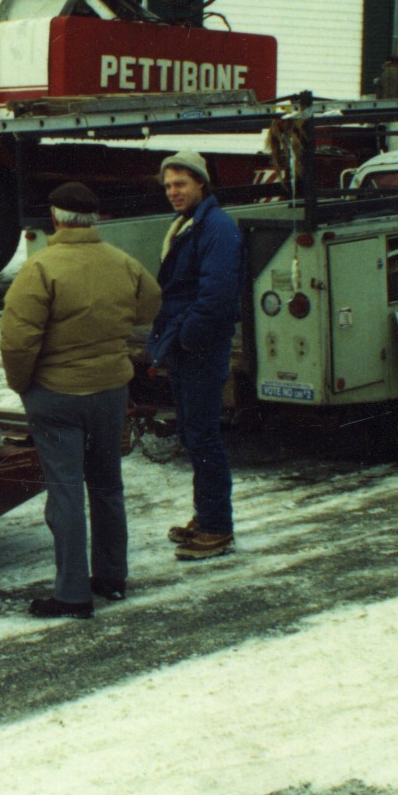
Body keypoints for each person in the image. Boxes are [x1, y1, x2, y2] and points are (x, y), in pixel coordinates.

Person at [0, 182, 161, 619]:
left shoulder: (40, 269)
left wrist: (23, 385)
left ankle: (72, 594)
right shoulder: (123, 263)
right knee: (107, 485)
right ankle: (111, 577)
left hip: (56, 395)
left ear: (54, 220)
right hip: (110, 390)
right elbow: (150, 307)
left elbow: (18, 342)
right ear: (96, 220)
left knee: (66, 491)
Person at [145, 151, 244, 560]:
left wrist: (186, 338)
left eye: (180, 183)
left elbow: (217, 296)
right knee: (192, 433)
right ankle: (207, 517)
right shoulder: (188, 224)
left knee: (203, 437)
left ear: (201, 183)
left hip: (201, 347)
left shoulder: (216, 227)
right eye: (168, 185)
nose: (173, 192)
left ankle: (218, 527)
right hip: (185, 345)